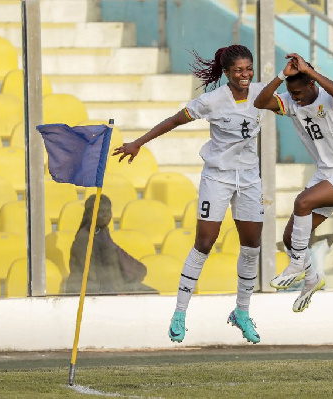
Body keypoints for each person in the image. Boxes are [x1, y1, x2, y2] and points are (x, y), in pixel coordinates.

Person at [113, 44, 266, 344]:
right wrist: (139, 143)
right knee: (204, 242)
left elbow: (290, 101)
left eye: (249, 68)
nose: (245, 74)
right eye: (239, 70)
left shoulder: (261, 95)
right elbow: (174, 120)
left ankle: (242, 312)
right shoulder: (212, 101)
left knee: (252, 246)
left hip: (249, 179)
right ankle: (180, 313)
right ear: (226, 73)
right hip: (217, 178)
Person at [254, 53, 333, 312]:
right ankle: (311, 278)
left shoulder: (331, 100)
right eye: (290, 92)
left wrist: (311, 71)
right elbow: (260, 101)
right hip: (326, 176)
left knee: (303, 202)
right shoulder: (292, 101)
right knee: (289, 238)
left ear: (312, 85)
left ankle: (297, 266)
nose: (294, 97)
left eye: (298, 92)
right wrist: (281, 76)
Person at [66, 194, 155, 294]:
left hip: (114, 286)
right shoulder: (84, 238)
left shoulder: (102, 232)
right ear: (90, 214)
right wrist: (119, 290)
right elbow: (91, 275)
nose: (106, 215)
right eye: (101, 212)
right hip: (94, 290)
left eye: (108, 211)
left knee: (152, 293)